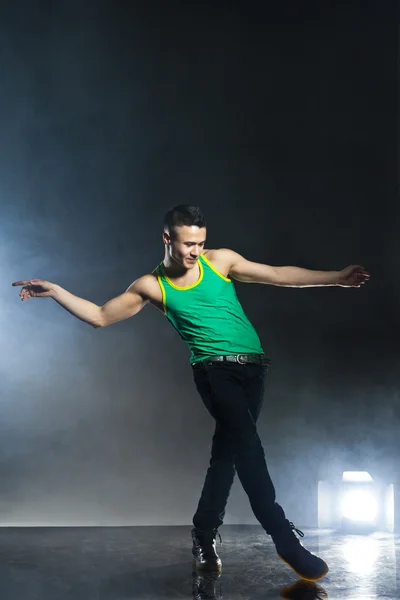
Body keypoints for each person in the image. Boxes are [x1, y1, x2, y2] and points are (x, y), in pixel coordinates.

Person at [12, 205, 370, 582]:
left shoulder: (221, 261)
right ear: (168, 238)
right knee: (248, 448)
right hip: (214, 372)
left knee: (227, 456)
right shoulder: (152, 286)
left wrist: (336, 278)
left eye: (200, 243)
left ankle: (203, 532)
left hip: (253, 370)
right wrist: (55, 291)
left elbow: (279, 275)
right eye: (187, 244)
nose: (195, 251)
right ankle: (283, 539)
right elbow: (101, 315)